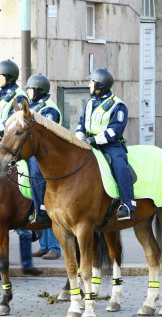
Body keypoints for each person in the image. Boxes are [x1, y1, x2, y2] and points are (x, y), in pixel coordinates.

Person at [0, 59, 42, 276]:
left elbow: (15, 121)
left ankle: (38, 207)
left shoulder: (20, 96)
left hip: (14, 146)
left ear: (8, 78)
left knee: (32, 171)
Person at [75, 68, 135, 220]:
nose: (89, 85)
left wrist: (95, 140)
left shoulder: (118, 106)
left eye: (91, 82)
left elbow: (115, 131)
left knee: (120, 166)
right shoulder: (90, 103)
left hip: (110, 145)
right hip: (89, 142)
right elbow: (81, 123)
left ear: (99, 86)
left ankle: (128, 204)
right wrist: (78, 137)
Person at [25, 73, 62, 260]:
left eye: (30, 89)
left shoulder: (49, 110)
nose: (28, 92)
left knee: (45, 202)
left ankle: (54, 247)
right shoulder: (31, 107)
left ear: (39, 90)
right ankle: (44, 245)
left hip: (45, 158)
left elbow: (45, 135)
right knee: (38, 202)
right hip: (32, 155)